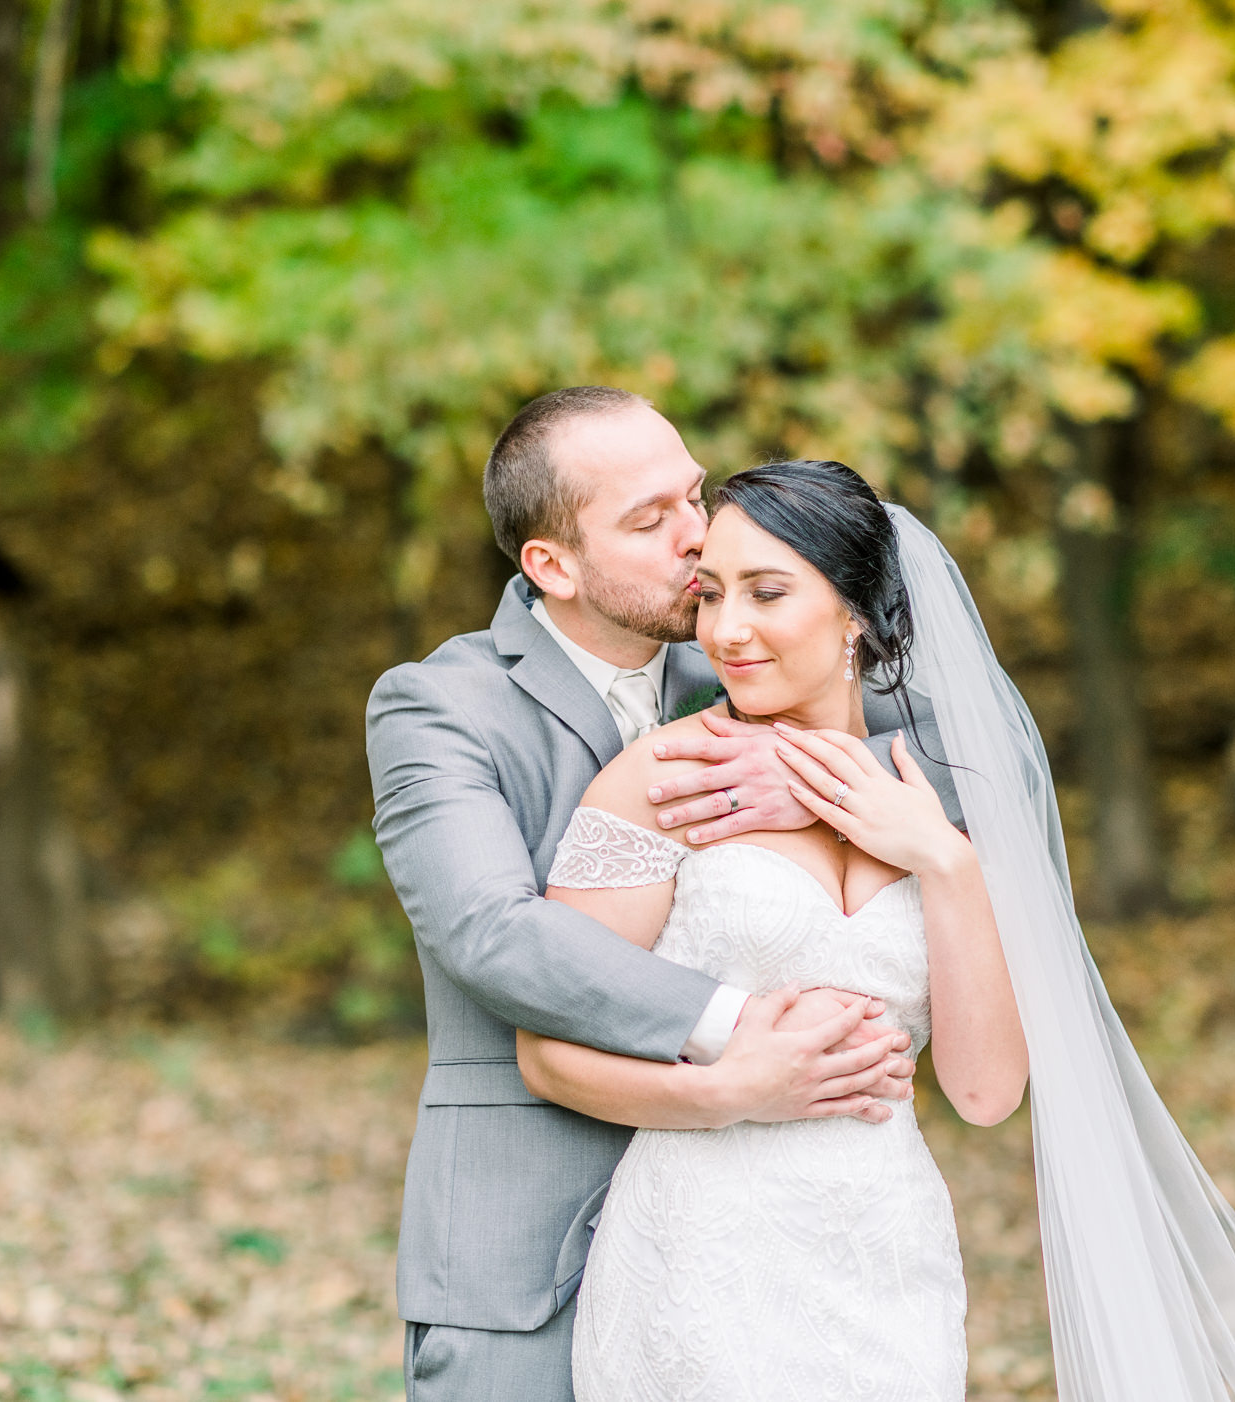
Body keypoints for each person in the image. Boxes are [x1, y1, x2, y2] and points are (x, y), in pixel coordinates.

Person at [522, 460, 1235, 1402]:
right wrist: (735, 1090)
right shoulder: (667, 781)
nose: (726, 628)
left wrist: (946, 863)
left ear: (856, 614)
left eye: (767, 592)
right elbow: (550, 1055)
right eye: (710, 593)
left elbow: (984, 1091)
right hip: (696, 1257)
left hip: (886, 1253)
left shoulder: (943, 807)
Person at [364, 388, 963, 1401]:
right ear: (550, 565)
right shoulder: (438, 706)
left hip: (772, 1247)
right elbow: (490, 931)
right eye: (650, 521)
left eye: (693, 495)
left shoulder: (756, 646)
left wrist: (823, 774)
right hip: (526, 1243)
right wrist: (736, 1034)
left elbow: (979, 766)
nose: (699, 538)